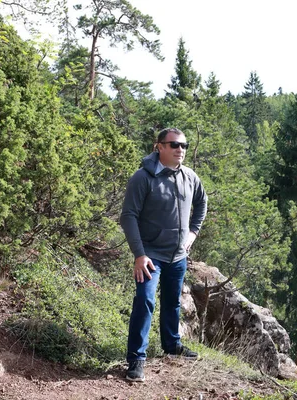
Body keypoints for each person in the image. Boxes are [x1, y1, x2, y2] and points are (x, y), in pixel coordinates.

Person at [120, 127, 208, 382]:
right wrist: (139, 254)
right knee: (145, 301)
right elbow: (128, 217)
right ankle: (136, 359)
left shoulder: (190, 176)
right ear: (159, 146)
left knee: (172, 302)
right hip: (150, 256)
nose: (180, 149)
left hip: (178, 256)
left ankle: (172, 346)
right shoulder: (142, 178)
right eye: (174, 145)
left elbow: (202, 203)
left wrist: (193, 233)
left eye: (184, 145)